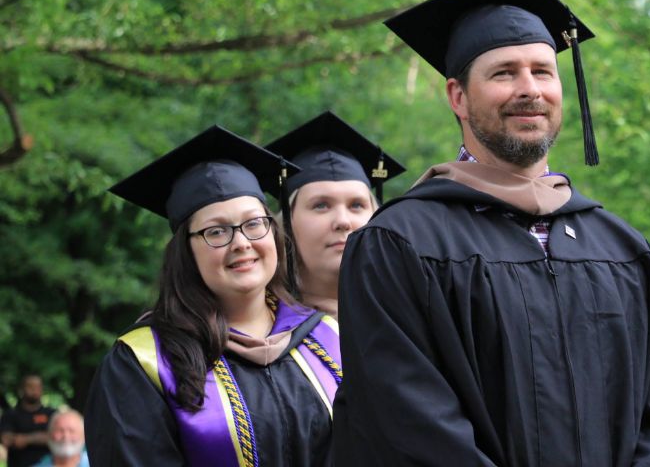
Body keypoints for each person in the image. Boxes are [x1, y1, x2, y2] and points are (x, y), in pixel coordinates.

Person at [332, 0, 650, 466]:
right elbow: (406, 421)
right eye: (504, 73)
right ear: (458, 96)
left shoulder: (621, 249)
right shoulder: (400, 243)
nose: (530, 89)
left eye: (542, 71)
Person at [84, 125, 339, 466]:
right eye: (216, 231)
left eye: (254, 224)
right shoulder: (144, 364)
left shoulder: (327, 339)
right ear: (185, 253)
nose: (241, 243)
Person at [264, 111, 404, 316]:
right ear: (286, 224)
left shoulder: (409, 313)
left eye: (356, 205)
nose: (343, 221)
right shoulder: (262, 330)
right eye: (321, 205)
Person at [0, 375, 56, 467]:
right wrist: (41, 437)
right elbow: (5, 439)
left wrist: (27, 439)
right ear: (22, 389)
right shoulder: (10, 414)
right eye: (30, 386)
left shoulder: (51, 414)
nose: (34, 390)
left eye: (38, 387)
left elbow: (55, 437)